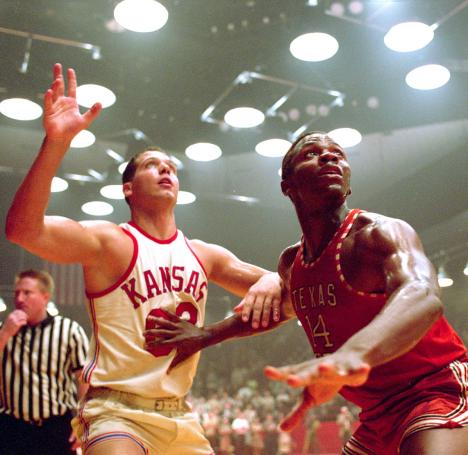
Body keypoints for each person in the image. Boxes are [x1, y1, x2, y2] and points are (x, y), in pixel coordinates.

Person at [5, 63, 282, 455]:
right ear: (128, 188)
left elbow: (287, 295)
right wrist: (56, 143)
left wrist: (271, 278)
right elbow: (22, 230)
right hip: (116, 412)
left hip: (180, 416)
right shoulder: (109, 241)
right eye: (153, 165)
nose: (166, 169)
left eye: (170, 166)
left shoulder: (205, 254)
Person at [154, 131, 468, 454]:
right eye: (312, 153)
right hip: (376, 415)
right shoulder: (292, 264)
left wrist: (350, 356)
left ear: (348, 183)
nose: (330, 157)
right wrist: (205, 336)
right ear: (287, 186)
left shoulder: (378, 235)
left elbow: (422, 293)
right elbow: (277, 310)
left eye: (337, 154)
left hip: (436, 390)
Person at [0, 269, 89, 455]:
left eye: (27, 293)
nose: (19, 299)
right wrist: (5, 334)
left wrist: (83, 420)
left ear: (45, 297)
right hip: (12, 428)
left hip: (55, 427)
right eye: (17, 293)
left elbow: (85, 379)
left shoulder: (69, 330)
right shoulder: (5, 330)